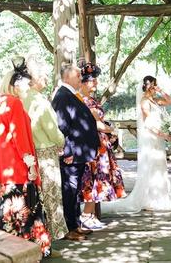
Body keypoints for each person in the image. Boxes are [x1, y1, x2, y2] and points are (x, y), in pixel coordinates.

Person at [0, 60, 52, 257]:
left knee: (9, 214)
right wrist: (31, 166)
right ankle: (32, 252)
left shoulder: (0, 104)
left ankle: (10, 252)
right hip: (18, 169)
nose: (28, 86)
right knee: (26, 213)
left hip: (6, 170)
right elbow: (21, 138)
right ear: (16, 85)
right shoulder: (15, 104)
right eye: (26, 83)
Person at [100, 75, 171, 213]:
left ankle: (158, 198)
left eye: (155, 85)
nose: (154, 88)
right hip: (152, 137)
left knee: (159, 166)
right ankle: (149, 199)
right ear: (146, 86)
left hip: (158, 137)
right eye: (153, 85)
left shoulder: (156, 100)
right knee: (151, 166)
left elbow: (170, 101)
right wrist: (164, 135)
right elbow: (148, 125)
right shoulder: (145, 102)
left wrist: (161, 90)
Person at [21, 58, 68, 241]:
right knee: (51, 198)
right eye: (44, 75)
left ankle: (36, 240)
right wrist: (62, 142)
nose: (47, 78)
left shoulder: (22, 99)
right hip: (46, 154)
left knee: (33, 200)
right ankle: (50, 240)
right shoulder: (40, 101)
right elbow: (52, 131)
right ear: (36, 78)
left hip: (28, 155)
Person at [51, 64, 100, 241]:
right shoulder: (63, 96)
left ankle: (75, 224)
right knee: (69, 191)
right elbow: (62, 126)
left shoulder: (70, 95)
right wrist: (67, 151)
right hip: (71, 155)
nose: (81, 78)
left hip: (79, 154)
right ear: (67, 77)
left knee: (75, 190)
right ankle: (68, 228)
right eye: (78, 76)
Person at [78, 62, 125, 229]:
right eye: (93, 80)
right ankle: (86, 215)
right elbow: (96, 125)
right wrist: (112, 129)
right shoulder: (83, 101)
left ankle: (90, 215)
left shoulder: (91, 100)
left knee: (98, 178)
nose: (96, 83)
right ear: (84, 82)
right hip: (94, 145)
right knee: (92, 178)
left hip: (101, 145)